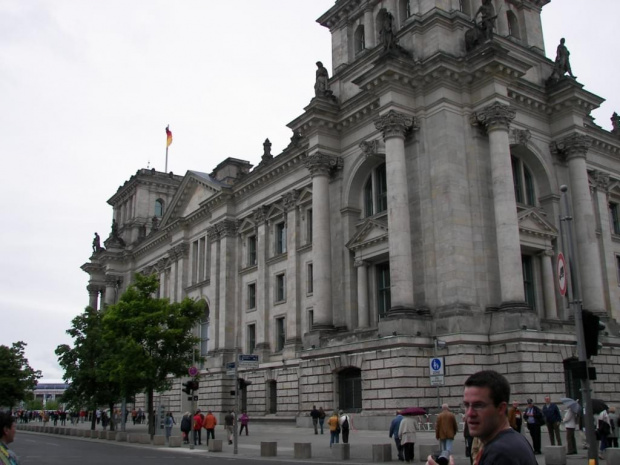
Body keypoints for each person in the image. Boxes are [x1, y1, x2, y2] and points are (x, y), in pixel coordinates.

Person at [427, 370, 537, 465]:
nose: (469, 413)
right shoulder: (513, 440)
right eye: (466, 405)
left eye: (478, 405)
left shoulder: (499, 453)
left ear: (501, 408)